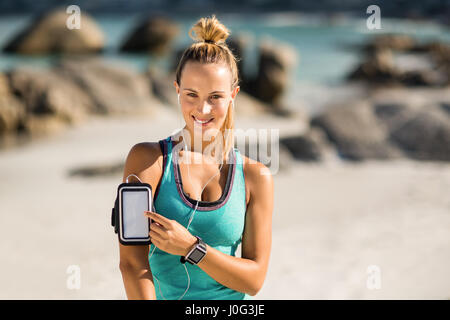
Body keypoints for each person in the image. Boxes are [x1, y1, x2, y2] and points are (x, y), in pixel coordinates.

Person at [118, 14, 274, 300]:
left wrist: (192, 248)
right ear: (177, 90)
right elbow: (131, 264)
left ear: (233, 95)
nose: (202, 109)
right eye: (191, 94)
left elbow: (254, 280)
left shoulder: (255, 177)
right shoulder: (149, 161)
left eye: (215, 96)